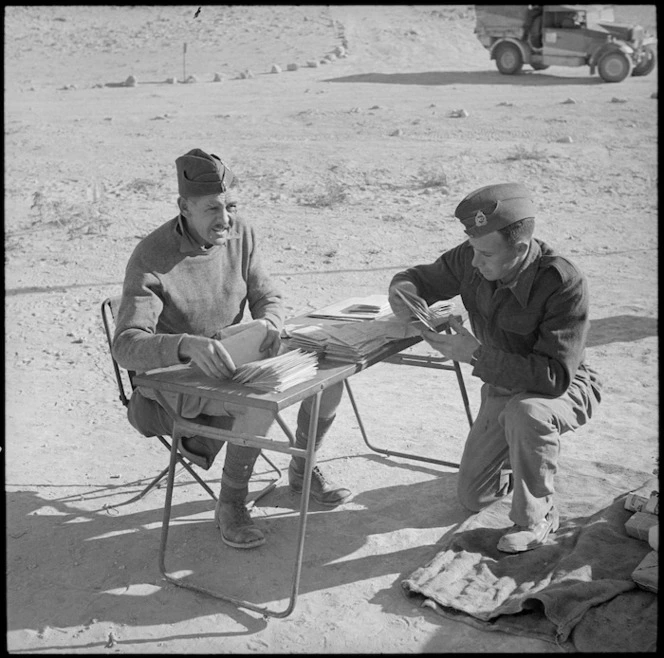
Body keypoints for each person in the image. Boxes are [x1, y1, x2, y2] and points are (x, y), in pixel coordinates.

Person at [112, 147, 349, 550]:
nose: (225, 220)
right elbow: (126, 346)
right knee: (256, 404)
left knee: (331, 375)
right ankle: (232, 505)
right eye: (212, 209)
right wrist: (185, 346)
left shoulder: (241, 234)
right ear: (183, 207)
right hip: (175, 383)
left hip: (234, 361)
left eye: (231, 206)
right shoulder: (151, 257)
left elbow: (267, 294)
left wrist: (271, 322)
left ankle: (302, 468)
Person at [388, 182, 602, 553]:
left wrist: (474, 355)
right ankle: (526, 460)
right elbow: (419, 278)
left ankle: (536, 516)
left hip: (563, 386)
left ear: (520, 249)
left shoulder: (563, 281)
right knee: (474, 497)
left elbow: (553, 376)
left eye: (485, 254)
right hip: (503, 383)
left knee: (527, 413)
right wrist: (405, 295)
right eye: (472, 249)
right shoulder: (477, 253)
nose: (474, 262)